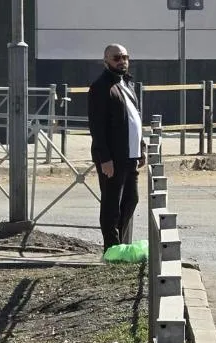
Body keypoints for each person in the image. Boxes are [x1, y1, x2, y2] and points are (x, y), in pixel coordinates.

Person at [87, 43, 146, 253]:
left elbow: (134, 118)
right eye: (117, 58)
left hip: (131, 155)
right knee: (112, 204)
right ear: (106, 61)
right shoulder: (101, 87)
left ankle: (120, 244)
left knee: (132, 199)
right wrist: (105, 158)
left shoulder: (127, 84)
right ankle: (111, 249)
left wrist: (142, 148)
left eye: (125, 57)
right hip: (113, 157)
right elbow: (97, 126)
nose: (122, 61)